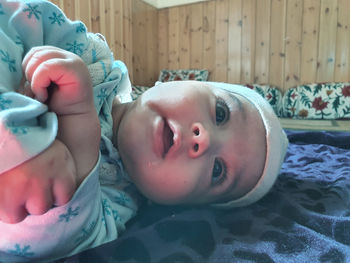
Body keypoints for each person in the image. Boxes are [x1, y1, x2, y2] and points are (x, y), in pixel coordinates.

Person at [0, 0, 288, 262]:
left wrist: (75, 131)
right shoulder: (86, 55)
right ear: (173, 82)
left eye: (218, 171)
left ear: (181, 204)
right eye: (221, 113)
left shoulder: (118, 205)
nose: (205, 139)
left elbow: (58, 241)